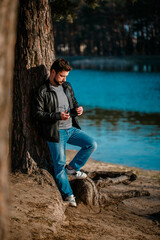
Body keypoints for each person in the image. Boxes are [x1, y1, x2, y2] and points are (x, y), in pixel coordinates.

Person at [34, 58, 97, 207]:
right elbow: (37, 114)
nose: (64, 79)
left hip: (71, 128)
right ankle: (68, 194)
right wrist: (58, 116)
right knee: (59, 164)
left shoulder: (67, 86)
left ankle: (72, 168)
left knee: (91, 144)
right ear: (53, 72)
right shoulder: (42, 91)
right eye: (62, 76)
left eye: (66, 76)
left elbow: (73, 105)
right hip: (55, 132)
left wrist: (77, 110)